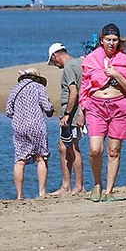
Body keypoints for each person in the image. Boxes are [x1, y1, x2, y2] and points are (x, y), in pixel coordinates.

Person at [80, 23, 126, 200]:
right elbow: (85, 87)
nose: (111, 43)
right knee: (95, 149)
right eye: (108, 39)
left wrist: (116, 74)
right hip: (97, 106)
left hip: (119, 106)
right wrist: (82, 109)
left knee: (114, 150)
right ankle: (97, 183)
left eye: (115, 40)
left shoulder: (124, 60)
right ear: (101, 40)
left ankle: (109, 191)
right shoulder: (91, 59)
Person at [4, 69, 54, 200]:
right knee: (41, 157)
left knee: (20, 160)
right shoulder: (39, 87)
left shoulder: (15, 89)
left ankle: (19, 195)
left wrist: (20, 115)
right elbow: (47, 107)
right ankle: (42, 192)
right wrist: (49, 110)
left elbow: (8, 111)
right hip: (36, 124)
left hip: (18, 126)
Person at [48, 42, 84, 196]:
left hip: (72, 113)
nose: (55, 64)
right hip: (75, 111)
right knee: (64, 147)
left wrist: (68, 114)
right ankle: (66, 185)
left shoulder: (69, 67)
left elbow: (74, 92)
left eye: (53, 61)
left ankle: (77, 186)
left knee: (72, 148)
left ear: (56, 55)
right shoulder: (77, 63)